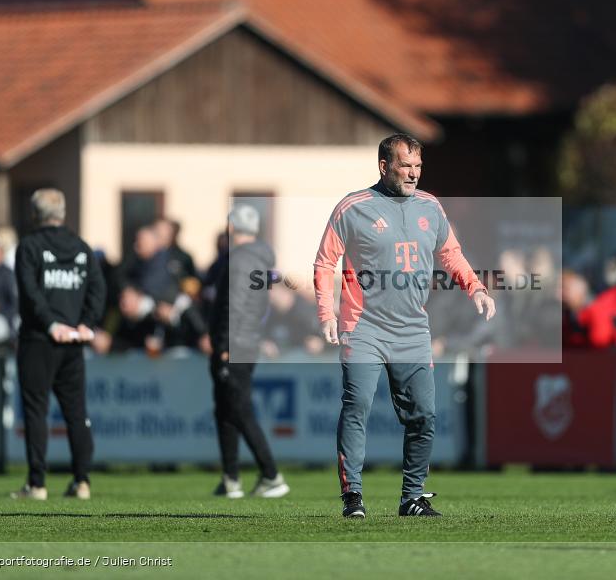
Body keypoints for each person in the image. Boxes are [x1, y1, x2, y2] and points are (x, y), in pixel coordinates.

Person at [314, 133, 496, 518]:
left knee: (424, 416)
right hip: (363, 327)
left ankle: (411, 498)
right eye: (405, 166)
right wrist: (326, 313)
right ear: (384, 167)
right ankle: (353, 496)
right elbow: (325, 262)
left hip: (413, 331)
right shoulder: (353, 207)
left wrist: (475, 288)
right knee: (357, 406)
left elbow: (451, 254)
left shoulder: (430, 206)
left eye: (418, 166)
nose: (413, 173)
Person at [12, 189, 106, 500]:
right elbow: (98, 289)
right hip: (73, 343)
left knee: (36, 411)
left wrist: (52, 325)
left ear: (34, 214)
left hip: (39, 339)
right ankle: (82, 481)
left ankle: (37, 483)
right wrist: (86, 324)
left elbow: (30, 292)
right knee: (76, 413)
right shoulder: (81, 247)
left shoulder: (29, 246)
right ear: (63, 213)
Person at [209, 204, 289, 499]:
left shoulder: (239, 259)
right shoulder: (260, 258)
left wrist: (223, 345)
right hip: (247, 341)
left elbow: (234, 305)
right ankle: (231, 478)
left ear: (231, 228)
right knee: (226, 409)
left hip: (235, 344)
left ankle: (271, 474)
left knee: (239, 409)